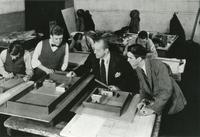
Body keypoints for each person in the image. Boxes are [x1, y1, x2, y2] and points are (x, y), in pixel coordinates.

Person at [126, 44, 187, 116]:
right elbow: (143, 87)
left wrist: (152, 109)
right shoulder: (138, 68)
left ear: (139, 59)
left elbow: (166, 91)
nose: (128, 60)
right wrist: (142, 100)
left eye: (130, 58)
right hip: (159, 100)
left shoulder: (158, 65)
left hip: (172, 103)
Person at [67, 36, 139, 93]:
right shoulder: (93, 56)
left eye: (97, 50)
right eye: (94, 49)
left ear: (106, 51)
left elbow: (131, 78)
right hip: (99, 89)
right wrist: (75, 72)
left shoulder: (120, 60)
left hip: (117, 92)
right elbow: (86, 67)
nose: (94, 52)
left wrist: (119, 87)